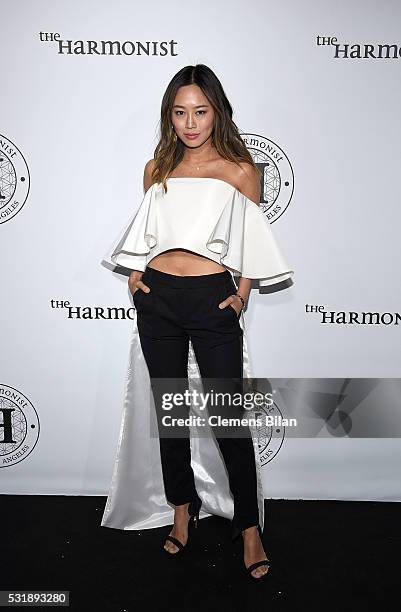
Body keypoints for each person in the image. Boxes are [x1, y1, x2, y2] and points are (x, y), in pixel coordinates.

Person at [101, 64, 294, 580]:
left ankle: (249, 527)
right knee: (172, 415)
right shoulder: (157, 168)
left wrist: (243, 293)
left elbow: (251, 240)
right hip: (159, 299)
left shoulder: (239, 171)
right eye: (180, 112)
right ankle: (181, 510)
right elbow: (148, 228)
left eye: (200, 111)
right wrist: (137, 275)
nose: (190, 122)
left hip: (212, 299)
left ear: (217, 112)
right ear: (170, 115)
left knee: (229, 417)